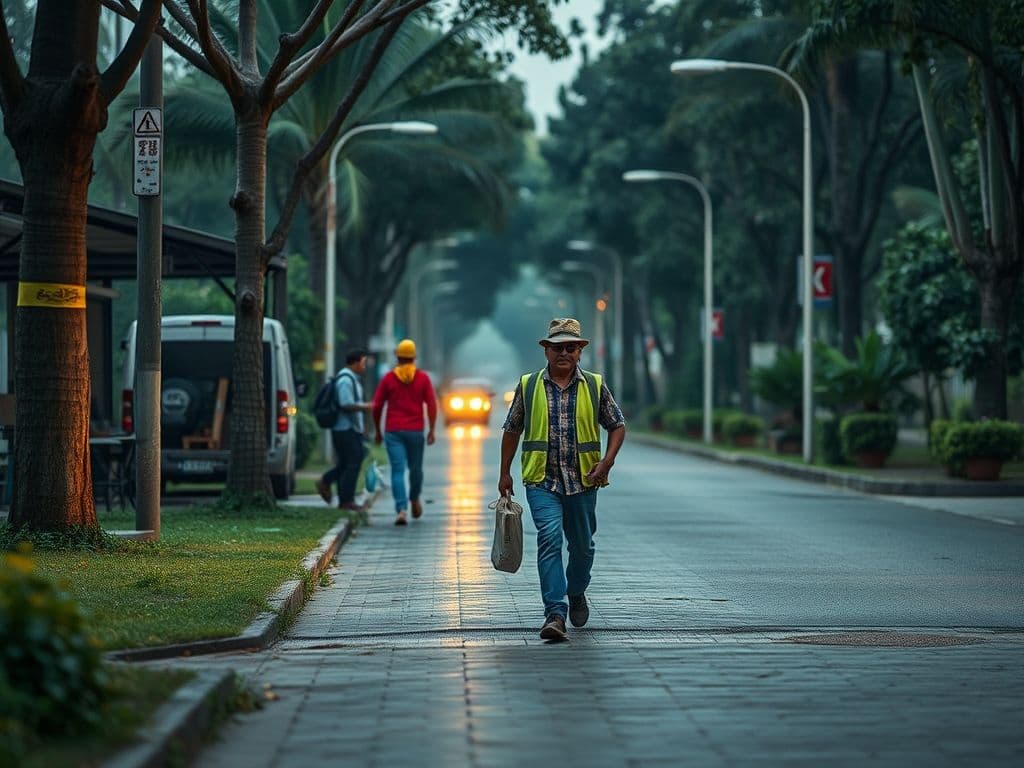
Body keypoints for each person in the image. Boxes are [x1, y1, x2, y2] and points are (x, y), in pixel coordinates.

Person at [499, 318, 626, 641]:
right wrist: (505, 472)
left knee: (583, 548)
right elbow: (512, 429)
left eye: (570, 347)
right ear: (546, 351)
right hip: (542, 482)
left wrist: (607, 462)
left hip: (584, 481)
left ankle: (576, 591)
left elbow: (617, 424)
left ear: (580, 352)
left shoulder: (595, 385)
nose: (564, 353)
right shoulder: (528, 386)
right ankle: (555, 613)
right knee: (550, 539)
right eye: (557, 348)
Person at [372, 338, 437, 526]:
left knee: (398, 470)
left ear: (397, 357)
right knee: (416, 469)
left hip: (393, 431)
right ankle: (414, 498)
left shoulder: (389, 379)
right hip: (415, 431)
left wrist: (377, 430)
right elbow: (432, 405)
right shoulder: (423, 378)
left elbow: (377, 406)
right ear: (414, 358)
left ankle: (401, 509)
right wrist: (432, 429)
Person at [316, 349, 373, 511]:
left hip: (350, 428)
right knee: (353, 463)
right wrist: (366, 407)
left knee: (346, 463)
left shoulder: (352, 379)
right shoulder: (346, 381)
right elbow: (345, 404)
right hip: (344, 429)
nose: (364, 367)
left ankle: (343, 499)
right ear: (354, 363)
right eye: (362, 363)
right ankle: (341, 494)